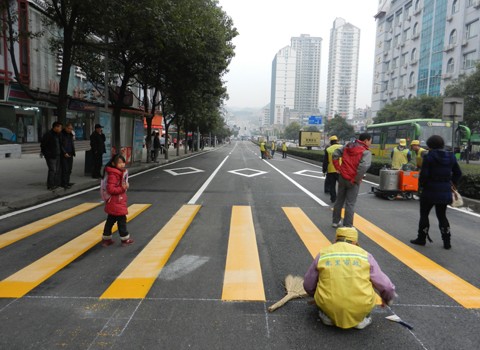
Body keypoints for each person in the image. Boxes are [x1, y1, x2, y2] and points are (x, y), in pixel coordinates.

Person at [303, 227, 396, 330]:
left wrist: (317, 296)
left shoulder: (323, 254)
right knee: (370, 289)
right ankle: (361, 319)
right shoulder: (365, 255)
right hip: (360, 305)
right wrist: (387, 299)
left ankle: (327, 316)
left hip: (329, 304)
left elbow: (308, 285)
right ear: (355, 241)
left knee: (324, 295)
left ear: (336, 239)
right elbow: (387, 286)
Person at [410, 135, 462, 250]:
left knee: (424, 214)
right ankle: (447, 241)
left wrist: (422, 186)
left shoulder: (429, 157)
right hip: (444, 190)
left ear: (429, 145)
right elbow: (458, 173)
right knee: (442, 215)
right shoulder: (451, 156)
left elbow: (424, 175)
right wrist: (452, 184)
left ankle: (421, 238)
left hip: (429, 190)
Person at [331, 133, 372, 228]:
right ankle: (347, 225)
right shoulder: (365, 152)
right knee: (350, 203)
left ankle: (335, 221)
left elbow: (335, 154)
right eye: (370, 141)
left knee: (339, 200)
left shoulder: (348, 145)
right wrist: (356, 179)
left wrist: (338, 168)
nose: (370, 143)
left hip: (342, 177)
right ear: (366, 140)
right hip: (353, 180)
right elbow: (363, 166)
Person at [101, 154, 134, 247]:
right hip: (116, 201)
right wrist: (123, 188)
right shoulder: (114, 174)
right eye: (119, 163)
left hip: (115, 201)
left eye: (123, 162)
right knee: (122, 220)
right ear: (113, 163)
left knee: (110, 220)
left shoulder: (117, 173)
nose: (122, 164)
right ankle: (125, 239)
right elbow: (111, 189)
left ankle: (106, 239)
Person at [40, 121, 63, 190]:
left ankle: (56, 183)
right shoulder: (48, 135)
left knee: (57, 170)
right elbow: (43, 145)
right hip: (51, 156)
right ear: (55, 127)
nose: (60, 129)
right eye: (60, 127)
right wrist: (46, 154)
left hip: (58, 154)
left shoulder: (58, 135)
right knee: (52, 170)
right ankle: (50, 185)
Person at [322, 135, 342, 203]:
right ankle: (342, 199)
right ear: (337, 141)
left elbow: (325, 161)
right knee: (342, 185)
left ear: (331, 142)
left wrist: (324, 170)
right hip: (340, 170)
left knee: (332, 185)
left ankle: (333, 198)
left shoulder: (328, 149)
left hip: (331, 170)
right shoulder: (342, 147)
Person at [60, 123, 76, 189]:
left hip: (70, 153)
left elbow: (71, 143)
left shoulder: (70, 134)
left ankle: (67, 182)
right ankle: (63, 183)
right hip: (64, 154)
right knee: (65, 169)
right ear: (65, 128)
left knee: (69, 169)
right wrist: (64, 152)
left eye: (71, 129)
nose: (70, 130)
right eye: (69, 128)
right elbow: (61, 145)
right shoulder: (62, 134)